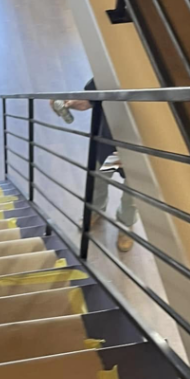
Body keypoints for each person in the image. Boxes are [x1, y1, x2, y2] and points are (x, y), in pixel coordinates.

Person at [51, 79, 137, 252]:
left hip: (140, 152)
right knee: (99, 181)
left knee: (132, 195)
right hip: (111, 144)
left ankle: (125, 223)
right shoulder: (114, 71)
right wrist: (74, 102)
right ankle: (96, 210)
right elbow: (92, 96)